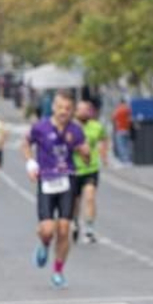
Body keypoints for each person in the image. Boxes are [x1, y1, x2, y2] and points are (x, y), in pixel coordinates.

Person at [23, 91, 87, 288]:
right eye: (60, 107)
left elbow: (86, 156)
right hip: (47, 181)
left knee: (64, 228)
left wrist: (85, 153)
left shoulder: (75, 130)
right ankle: (43, 242)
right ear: (53, 107)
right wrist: (31, 164)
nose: (63, 112)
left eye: (68, 109)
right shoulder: (40, 127)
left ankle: (58, 271)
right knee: (48, 229)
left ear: (72, 111)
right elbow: (26, 144)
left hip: (68, 179)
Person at [72, 98, 106, 244]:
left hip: (90, 169)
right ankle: (74, 222)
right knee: (75, 202)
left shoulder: (96, 126)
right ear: (76, 111)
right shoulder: (70, 127)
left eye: (87, 110)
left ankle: (89, 229)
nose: (84, 112)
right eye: (81, 110)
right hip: (72, 169)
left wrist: (103, 153)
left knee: (90, 197)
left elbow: (104, 139)